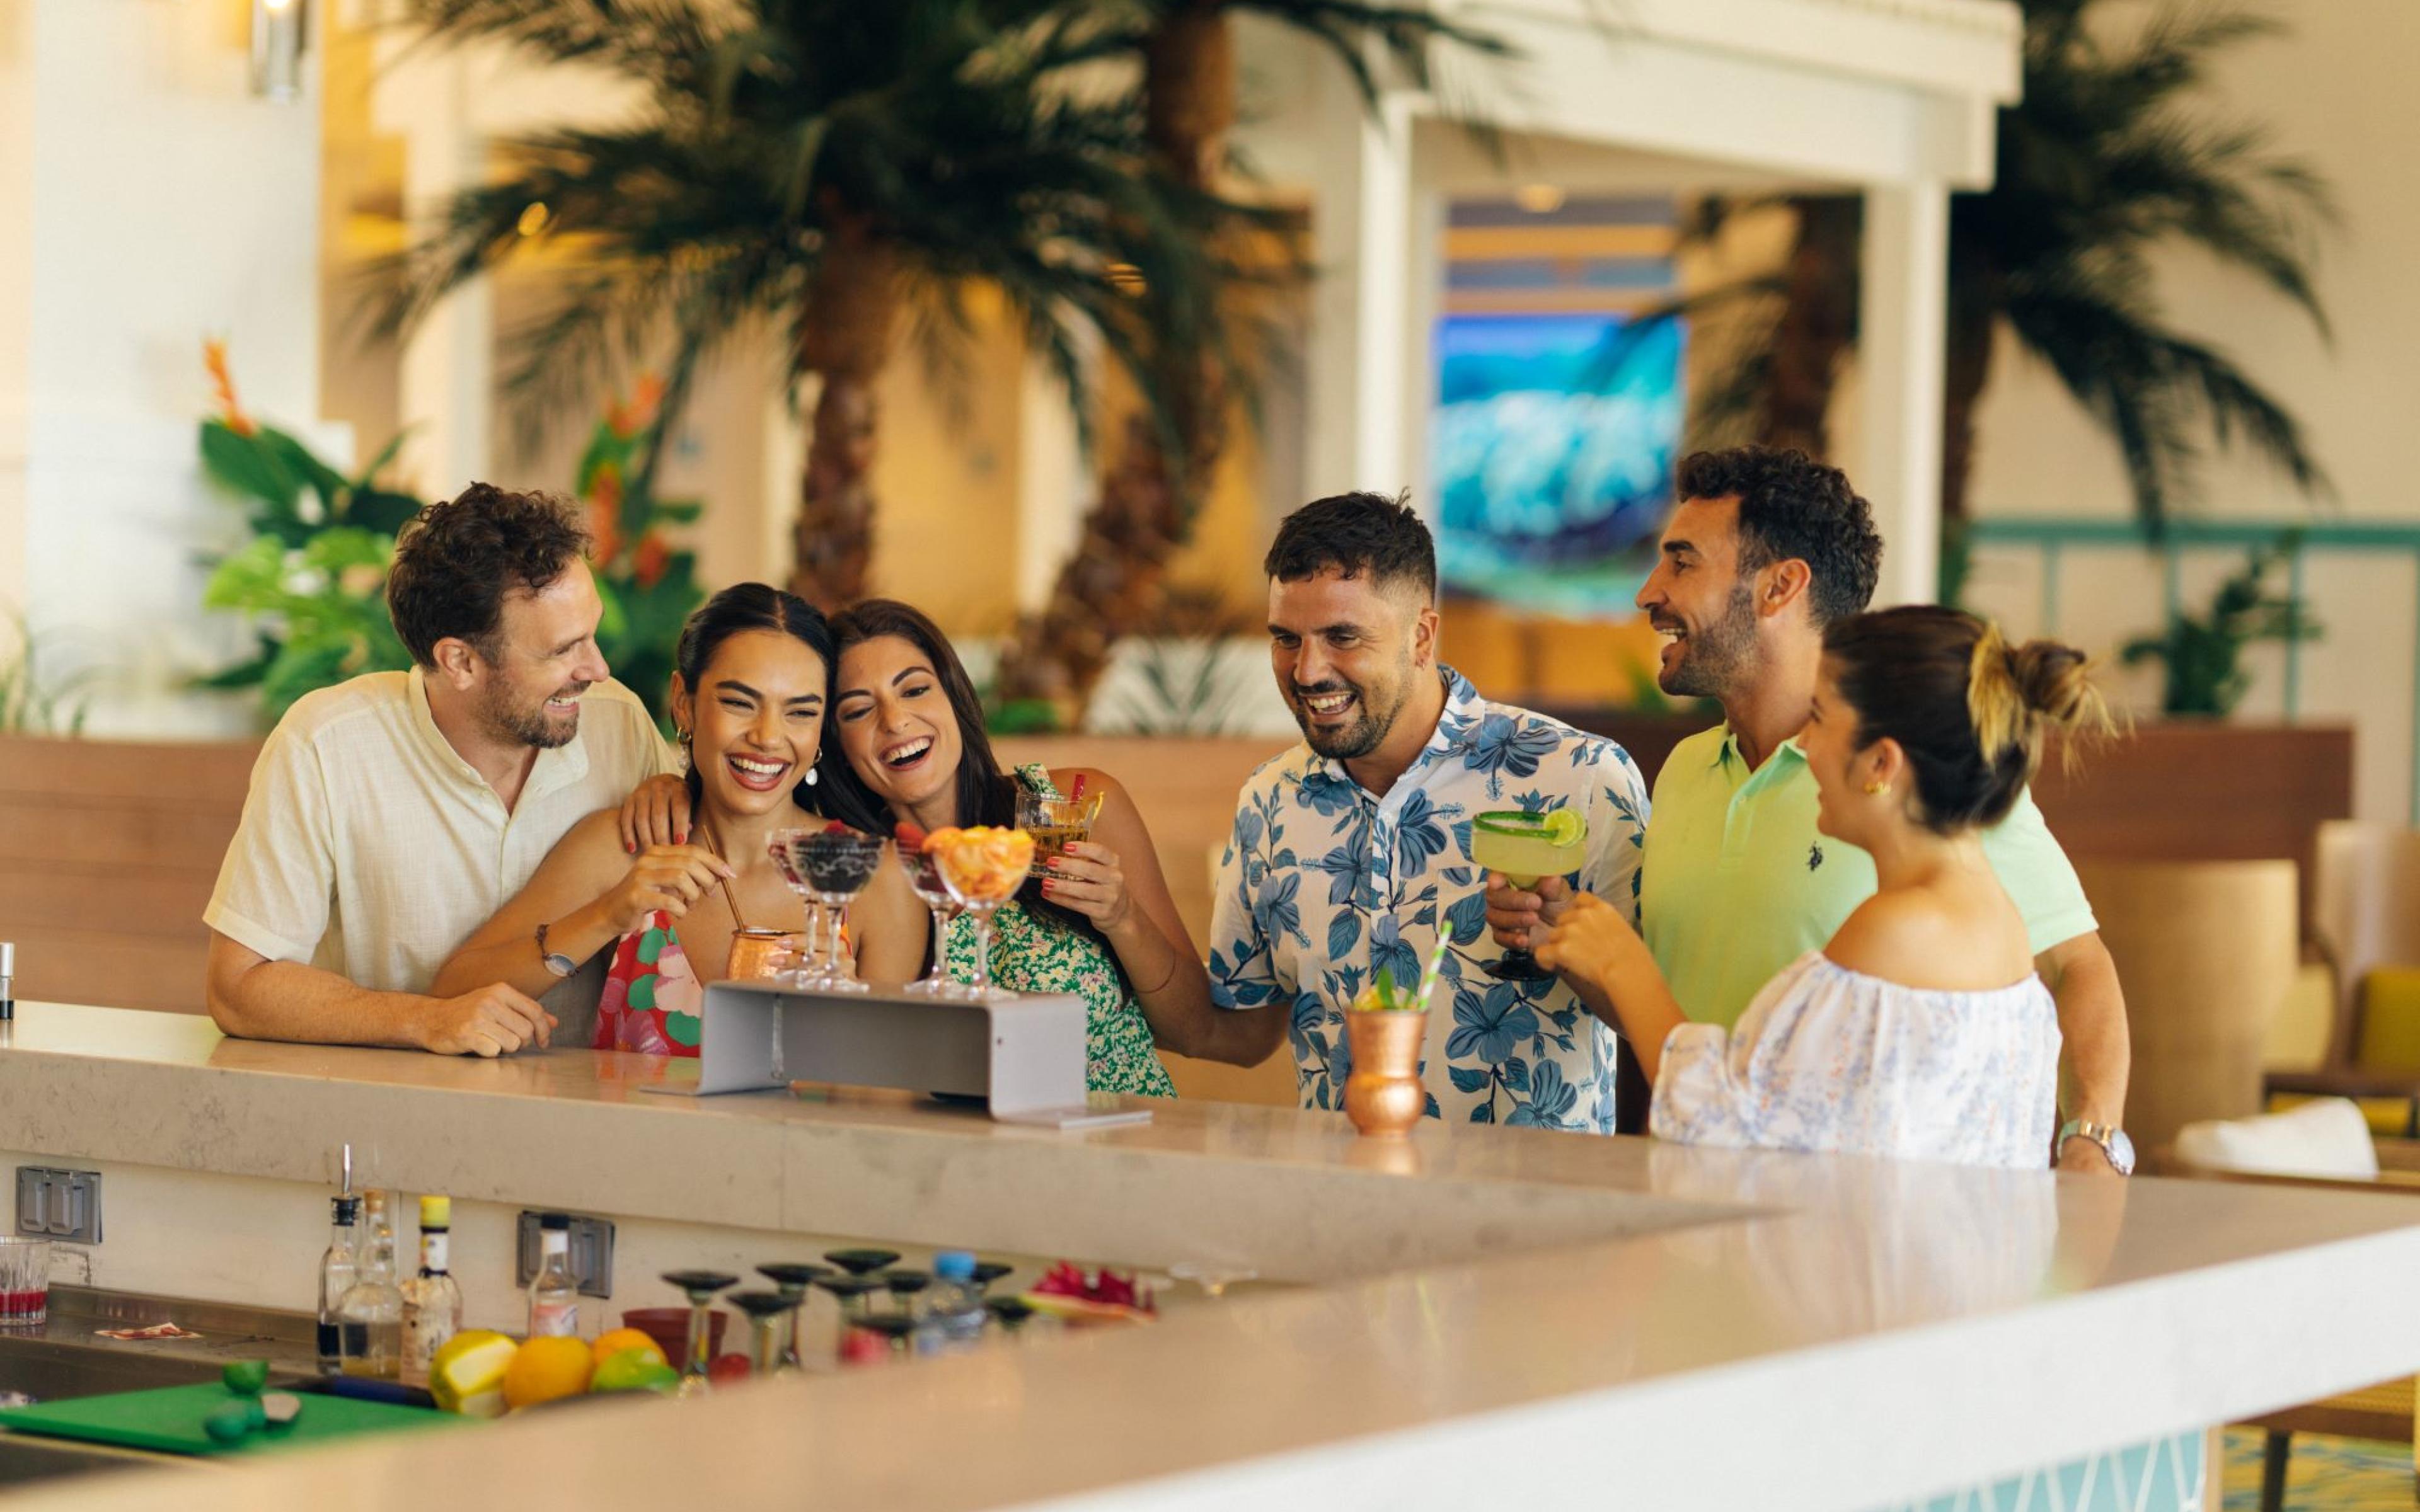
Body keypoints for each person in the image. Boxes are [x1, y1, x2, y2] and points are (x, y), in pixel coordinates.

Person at [1489, 447, 2133, 1172]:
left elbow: (2078, 966)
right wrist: (1577, 949)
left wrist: (2094, 1149)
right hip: (1711, 1227)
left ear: (1779, 588)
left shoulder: (1939, 792)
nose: (1646, 592)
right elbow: (1678, 1023)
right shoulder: (1682, 773)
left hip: (1830, 1246)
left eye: (1682, 562)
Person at [1537, 606, 2105, 1168]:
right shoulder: (1992, 910)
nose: (1804, 746)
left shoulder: (1898, 927)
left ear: (1881, 763)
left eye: (1820, 719)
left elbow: (1731, 1120)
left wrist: (1623, 964)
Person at [1204, 492, 1652, 1131]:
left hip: (1536, 1212)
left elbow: (1659, 1021)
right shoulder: (1269, 800)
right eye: (1285, 639)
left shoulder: (1581, 778)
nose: (1307, 671)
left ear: (1420, 636)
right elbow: (1241, 1025)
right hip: (1338, 1205)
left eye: (1342, 637)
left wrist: (1567, 949)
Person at [202, 484, 673, 1056]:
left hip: (588, 1117)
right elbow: (238, 987)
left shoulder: (619, 724)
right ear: (461, 661)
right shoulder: (326, 746)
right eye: (561, 651)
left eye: (592, 634)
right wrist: (425, 1021)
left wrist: (678, 791)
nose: (596, 669)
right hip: (388, 1116)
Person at [432, 584, 921, 1053]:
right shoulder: (622, 850)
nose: (769, 738)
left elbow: (886, 1108)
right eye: (738, 703)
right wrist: (608, 915)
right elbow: (449, 995)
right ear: (683, 703)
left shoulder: (879, 881)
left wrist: (850, 1010)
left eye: (800, 713)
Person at [811, 599, 1219, 1095]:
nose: (895, 721)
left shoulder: (1071, 807)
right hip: (965, 1161)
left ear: (954, 698)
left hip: (1128, 1145)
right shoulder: (861, 881)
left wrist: (1123, 918)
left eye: (915, 690)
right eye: (858, 710)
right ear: (837, 746)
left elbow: (1194, 1030)